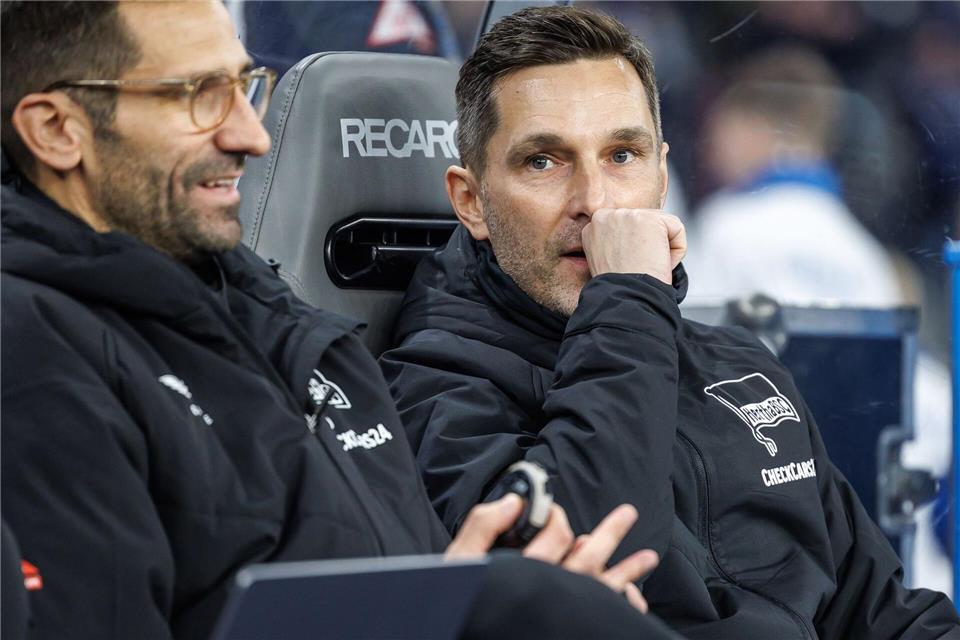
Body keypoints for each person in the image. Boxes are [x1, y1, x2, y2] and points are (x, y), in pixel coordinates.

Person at [0, 2, 683, 639]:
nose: (250, 135)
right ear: (57, 130)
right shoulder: (32, 362)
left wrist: (469, 602)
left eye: (247, 86)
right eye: (197, 96)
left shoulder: (292, 327)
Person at [379, 6, 960, 639]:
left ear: (662, 175)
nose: (595, 203)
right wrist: (630, 296)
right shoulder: (428, 396)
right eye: (543, 161)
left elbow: (879, 613)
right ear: (471, 201)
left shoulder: (741, 368)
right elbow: (588, 574)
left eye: (622, 155)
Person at [683, 46, 903, 307]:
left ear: (754, 127)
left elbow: (690, 336)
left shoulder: (724, 226)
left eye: (723, 129)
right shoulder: (866, 256)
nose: (713, 148)